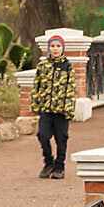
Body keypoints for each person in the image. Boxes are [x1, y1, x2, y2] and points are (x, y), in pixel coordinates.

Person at [32, 35, 76, 178]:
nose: (55, 49)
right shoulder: (42, 66)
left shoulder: (67, 66)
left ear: (62, 48)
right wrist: (35, 104)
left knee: (61, 138)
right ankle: (49, 162)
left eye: (58, 46)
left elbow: (71, 89)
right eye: (52, 46)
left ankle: (59, 167)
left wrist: (69, 109)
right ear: (48, 48)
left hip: (62, 110)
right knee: (42, 135)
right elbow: (36, 86)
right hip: (46, 109)